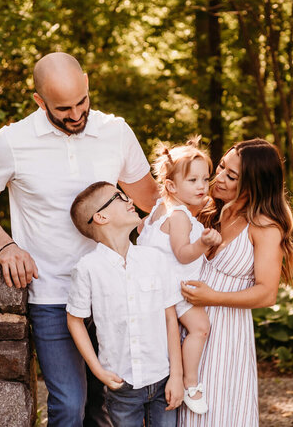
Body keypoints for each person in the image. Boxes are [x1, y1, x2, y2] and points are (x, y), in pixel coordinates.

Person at [0, 53, 158, 427]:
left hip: (114, 290)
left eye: (82, 101)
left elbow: (151, 202)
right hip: (52, 294)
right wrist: (6, 245)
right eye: (63, 108)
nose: (76, 114)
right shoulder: (12, 141)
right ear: (39, 101)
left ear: (86, 82)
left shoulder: (115, 131)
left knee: (113, 401)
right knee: (69, 405)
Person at [177, 138, 293, 427]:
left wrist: (212, 297)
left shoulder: (264, 226)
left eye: (231, 176)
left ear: (254, 184)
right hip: (186, 324)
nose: (218, 178)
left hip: (225, 336)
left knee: (215, 413)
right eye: (221, 166)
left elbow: (267, 294)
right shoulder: (209, 209)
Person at [67, 181, 184, 427]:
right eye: (120, 197)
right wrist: (97, 370)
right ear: (101, 216)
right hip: (122, 387)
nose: (130, 200)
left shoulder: (154, 259)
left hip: (163, 380)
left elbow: (170, 318)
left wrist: (177, 375)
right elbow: (75, 319)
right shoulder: (87, 268)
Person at [135, 138, 222, 414]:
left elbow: (142, 234)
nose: (202, 186)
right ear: (171, 186)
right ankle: (191, 382)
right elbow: (183, 253)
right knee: (200, 327)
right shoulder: (181, 215)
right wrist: (204, 244)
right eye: (193, 180)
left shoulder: (158, 210)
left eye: (205, 179)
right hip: (173, 287)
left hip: (151, 284)